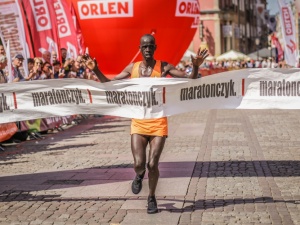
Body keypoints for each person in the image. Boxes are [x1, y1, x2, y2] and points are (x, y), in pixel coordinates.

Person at [84, 34, 208, 214]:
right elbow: (109, 84)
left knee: (153, 164)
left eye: (151, 46)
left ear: (155, 47)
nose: (148, 49)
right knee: (139, 164)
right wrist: (96, 70)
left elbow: (189, 80)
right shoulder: (132, 68)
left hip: (158, 123)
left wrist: (195, 67)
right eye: (145, 47)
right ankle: (139, 175)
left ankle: (151, 197)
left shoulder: (163, 66)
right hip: (139, 123)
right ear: (140, 49)